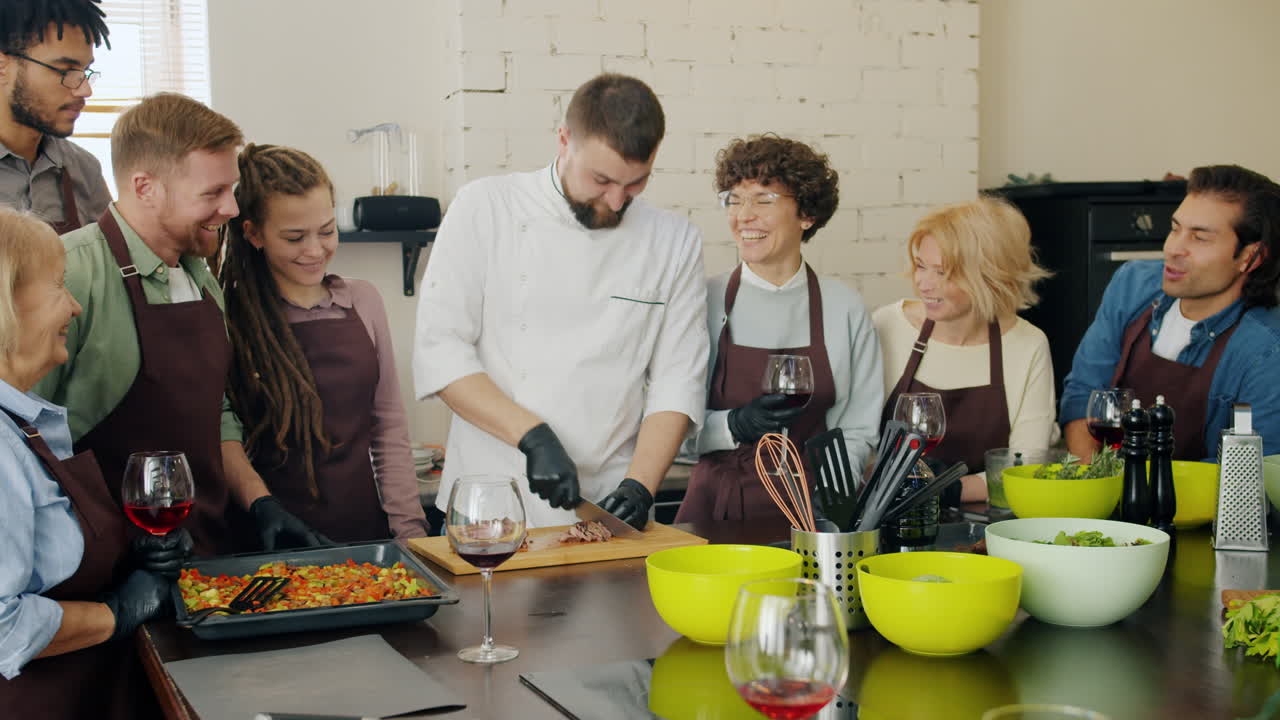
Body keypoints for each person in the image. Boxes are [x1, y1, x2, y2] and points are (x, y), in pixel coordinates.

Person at [33, 93, 328, 555]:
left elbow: (214, 413)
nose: (231, 208)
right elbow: (23, 440)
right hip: (107, 567)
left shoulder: (199, 274)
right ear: (145, 187)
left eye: (230, 189)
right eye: (212, 193)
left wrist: (260, 503)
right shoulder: (69, 272)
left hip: (205, 549)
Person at [414, 73, 709, 530]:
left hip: (609, 501)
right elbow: (441, 351)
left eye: (635, 184)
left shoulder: (675, 241)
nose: (615, 200)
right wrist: (532, 438)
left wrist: (640, 485)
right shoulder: (485, 208)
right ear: (564, 140)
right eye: (602, 179)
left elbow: (677, 380)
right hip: (494, 498)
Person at [0, 209, 182, 719]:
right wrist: (119, 611)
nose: (75, 307)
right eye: (59, 286)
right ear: (7, 302)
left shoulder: (25, 423)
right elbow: (3, 628)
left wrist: (130, 554)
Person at [219, 144, 429, 542]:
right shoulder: (230, 316)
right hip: (269, 543)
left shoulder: (363, 301)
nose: (315, 250)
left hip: (366, 535)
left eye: (327, 231)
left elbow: (388, 429)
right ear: (253, 233)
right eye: (295, 237)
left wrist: (410, 533)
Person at [676, 135, 882, 524]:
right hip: (716, 509)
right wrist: (731, 425)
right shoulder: (702, 302)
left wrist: (833, 497)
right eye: (734, 199)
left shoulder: (845, 308)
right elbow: (670, 428)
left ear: (806, 214)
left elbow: (857, 428)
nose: (743, 215)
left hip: (814, 511)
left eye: (763, 200)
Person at [1061, 164, 1280, 463]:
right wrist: (1094, 483)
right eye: (1175, 228)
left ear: (1251, 256)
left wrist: (1139, 496)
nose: (1173, 248)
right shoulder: (1132, 284)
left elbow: (1250, 473)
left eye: (1199, 238)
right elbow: (1083, 395)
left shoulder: (1267, 349)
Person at [873, 196, 1056, 502]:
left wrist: (948, 489)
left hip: (985, 523)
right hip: (888, 514)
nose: (924, 284)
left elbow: (1025, 468)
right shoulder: (888, 326)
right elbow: (858, 443)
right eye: (921, 266)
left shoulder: (1028, 345)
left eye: (942, 272)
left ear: (988, 276)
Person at [0, 1, 113, 231]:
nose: (84, 90)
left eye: (84, 71)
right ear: (3, 67)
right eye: (65, 71)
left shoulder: (84, 170)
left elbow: (112, 263)